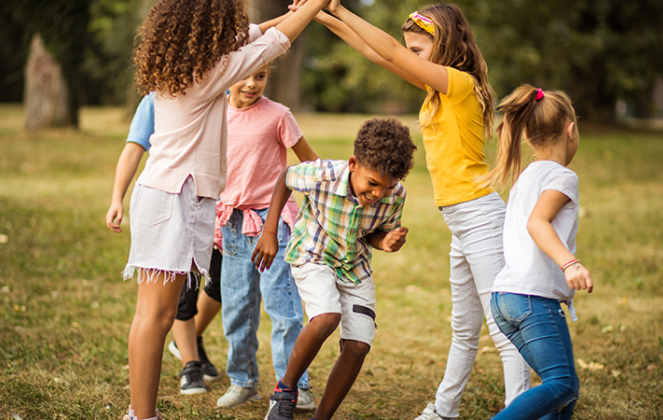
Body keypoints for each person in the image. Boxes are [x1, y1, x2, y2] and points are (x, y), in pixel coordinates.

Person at [309, 2, 531, 419]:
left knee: (503, 329)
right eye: (410, 49)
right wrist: (319, 16)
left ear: (443, 43)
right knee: (464, 329)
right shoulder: (437, 88)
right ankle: (444, 410)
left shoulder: (460, 83)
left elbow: (390, 50)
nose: (410, 57)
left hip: (480, 216)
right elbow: (377, 53)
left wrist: (338, 5)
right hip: (463, 221)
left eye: (418, 50)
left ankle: (517, 410)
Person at [114, 0, 331, 418]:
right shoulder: (210, 71)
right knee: (155, 317)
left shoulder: (186, 61)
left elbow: (260, 32)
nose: (238, 24)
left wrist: (296, 9)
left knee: (151, 315)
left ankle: (141, 415)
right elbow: (276, 42)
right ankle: (142, 416)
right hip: (172, 198)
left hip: (168, 194)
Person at [252, 117, 417, 420]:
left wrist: (387, 242)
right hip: (313, 253)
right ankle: (285, 391)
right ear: (353, 164)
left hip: (354, 267)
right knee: (327, 316)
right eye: (373, 183)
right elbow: (287, 177)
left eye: (388, 185)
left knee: (357, 346)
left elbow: (374, 233)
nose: (379, 193)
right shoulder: (324, 174)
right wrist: (270, 231)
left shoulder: (395, 194)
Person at [213, 63, 319, 410]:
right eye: (245, 75)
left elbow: (309, 164)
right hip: (231, 222)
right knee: (237, 307)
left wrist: (322, 209)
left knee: (282, 307)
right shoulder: (213, 113)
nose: (251, 83)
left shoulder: (278, 115)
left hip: (272, 223)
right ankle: (243, 381)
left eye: (261, 76)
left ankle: (296, 386)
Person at [485, 85, 593, 420]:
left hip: (505, 298)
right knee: (562, 384)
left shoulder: (526, 176)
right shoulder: (562, 177)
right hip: (532, 300)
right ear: (570, 130)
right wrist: (570, 263)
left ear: (528, 138)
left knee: (561, 392)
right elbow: (537, 223)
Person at [106, 92, 223, 396]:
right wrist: (117, 197)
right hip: (171, 203)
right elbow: (133, 149)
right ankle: (187, 364)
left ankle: (143, 407)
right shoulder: (155, 100)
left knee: (202, 291)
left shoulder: (221, 93)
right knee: (162, 308)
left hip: (210, 208)